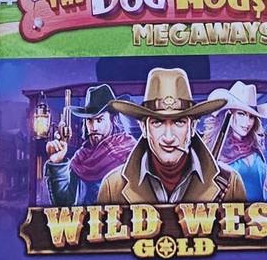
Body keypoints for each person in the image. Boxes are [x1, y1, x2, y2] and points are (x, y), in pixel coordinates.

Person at [99, 67, 244, 204]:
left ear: (192, 127)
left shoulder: (228, 182)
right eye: (157, 122)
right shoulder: (114, 187)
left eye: (179, 122)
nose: (168, 137)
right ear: (144, 128)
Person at [43, 84, 135, 205]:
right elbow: (64, 204)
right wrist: (57, 163)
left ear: (112, 120)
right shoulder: (81, 159)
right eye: (89, 120)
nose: (94, 127)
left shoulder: (129, 153)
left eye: (100, 120)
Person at [208, 82, 267, 201]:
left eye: (251, 116)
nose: (247, 122)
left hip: (260, 213)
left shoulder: (255, 153)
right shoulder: (217, 153)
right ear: (229, 114)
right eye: (241, 114)